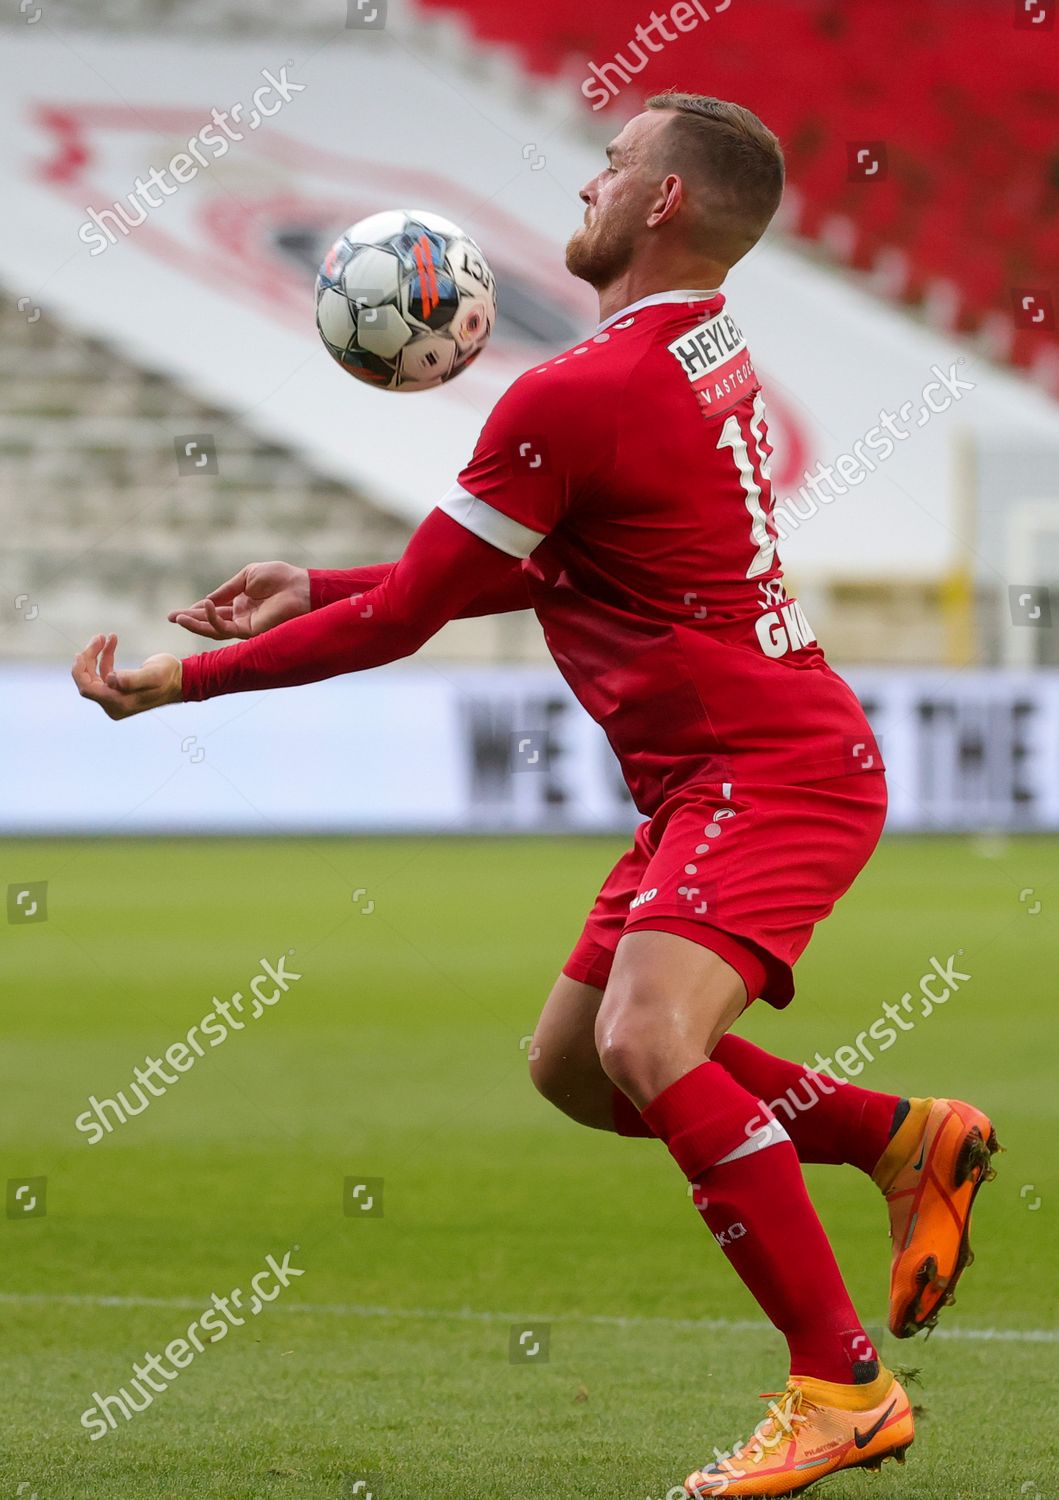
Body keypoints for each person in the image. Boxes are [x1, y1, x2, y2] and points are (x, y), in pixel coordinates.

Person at [72, 93, 998, 1497]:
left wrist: (182, 688)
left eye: (617, 162)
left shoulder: (581, 390)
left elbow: (411, 621)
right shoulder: (680, 352)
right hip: (721, 771)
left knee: (648, 1043)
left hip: (765, 772)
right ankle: (900, 1137)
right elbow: (543, 565)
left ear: (665, 204)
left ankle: (840, 1388)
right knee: (577, 1066)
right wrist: (317, 584)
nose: (593, 178)